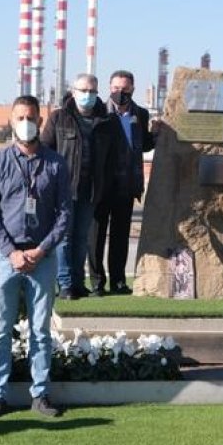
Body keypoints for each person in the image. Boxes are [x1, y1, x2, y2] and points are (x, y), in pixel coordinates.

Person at [0, 95, 71, 418]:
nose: (26, 123)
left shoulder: (56, 164)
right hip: (5, 258)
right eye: (20, 117)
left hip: (42, 257)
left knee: (40, 330)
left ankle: (41, 393)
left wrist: (40, 249)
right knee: (1, 330)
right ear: (11, 122)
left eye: (31, 117)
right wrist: (11, 251)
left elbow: (64, 215)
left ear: (40, 120)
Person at [40, 73, 119, 300]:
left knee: (82, 237)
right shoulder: (59, 118)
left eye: (93, 91)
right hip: (63, 189)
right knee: (64, 237)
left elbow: (113, 157)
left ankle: (77, 282)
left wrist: (105, 185)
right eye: (83, 91)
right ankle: (65, 284)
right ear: (73, 92)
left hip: (91, 190)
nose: (88, 95)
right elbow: (46, 151)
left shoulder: (107, 122)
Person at [88, 70, 158, 296]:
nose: (120, 93)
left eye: (125, 89)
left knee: (120, 236)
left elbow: (144, 145)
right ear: (110, 88)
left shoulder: (141, 114)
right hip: (101, 185)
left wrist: (155, 135)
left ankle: (118, 281)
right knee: (96, 236)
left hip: (127, 184)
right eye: (116, 88)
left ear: (133, 89)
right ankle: (97, 281)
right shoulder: (98, 112)